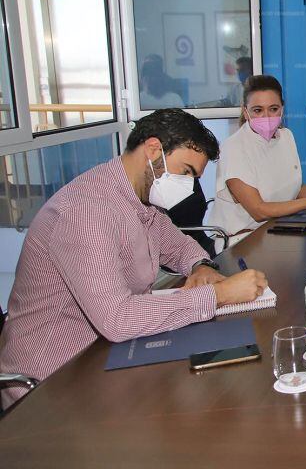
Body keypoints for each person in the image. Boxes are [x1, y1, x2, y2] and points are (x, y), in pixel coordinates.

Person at [0, 109, 268, 408]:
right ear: (153, 149)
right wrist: (217, 295)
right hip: (52, 385)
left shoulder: (140, 200)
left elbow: (179, 246)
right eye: (186, 172)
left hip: (106, 353)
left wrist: (200, 266)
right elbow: (117, 318)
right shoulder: (87, 211)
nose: (189, 186)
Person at [207, 75, 306, 246]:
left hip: (279, 230)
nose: (266, 116)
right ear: (245, 111)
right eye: (257, 110)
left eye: (273, 108)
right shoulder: (234, 148)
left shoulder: (286, 136)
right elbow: (259, 211)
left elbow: (293, 189)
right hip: (242, 241)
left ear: (282, 109)